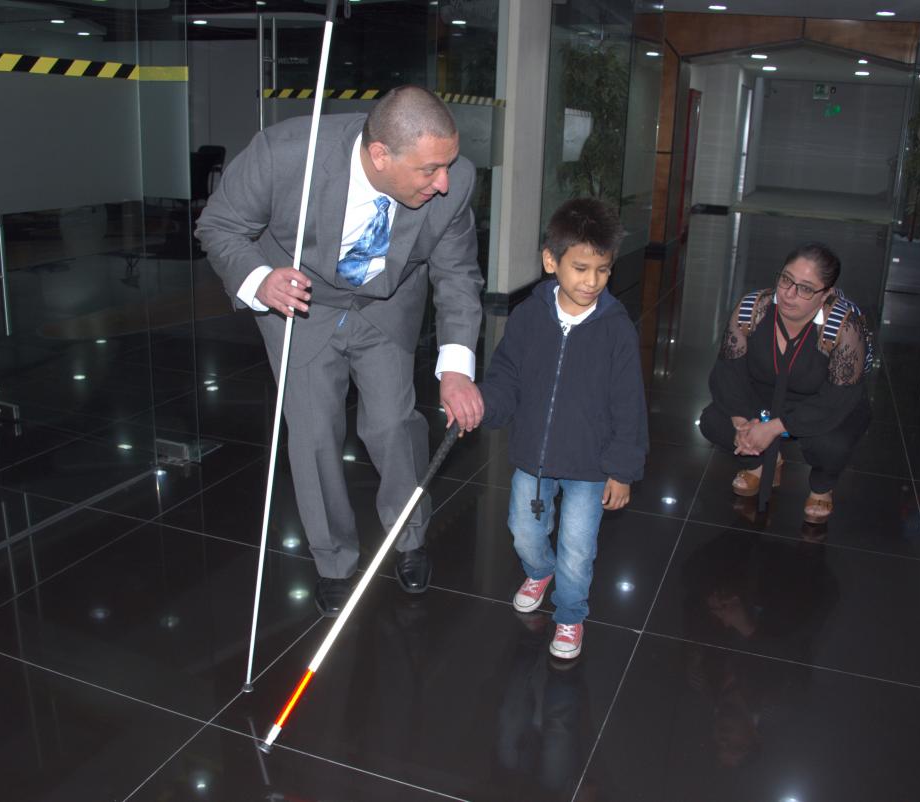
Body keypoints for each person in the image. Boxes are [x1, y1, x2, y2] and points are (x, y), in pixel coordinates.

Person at [195, 86, 484, 617]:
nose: (443, 181)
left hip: (387, 305)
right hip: (299, 306)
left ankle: (409, 533)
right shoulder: (285, 155)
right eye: (428, 170)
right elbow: (219, 226)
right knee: (311, 436)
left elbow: (457, 275)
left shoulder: (454, 182)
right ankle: (333, 561)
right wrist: (259, 280)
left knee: (394, 426)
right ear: (381, 155)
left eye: (447, 164)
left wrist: (457, 367)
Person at [479, 198, 648, 660]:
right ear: (550, 261)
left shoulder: (616, 330)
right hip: (533, 455)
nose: (591, 282)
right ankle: (539, 569)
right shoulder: (528, 317)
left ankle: (570, 616)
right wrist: (484, 405)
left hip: (591, 467)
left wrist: (622, 469)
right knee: (523, 531)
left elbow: (629, 404)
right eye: (580, 268)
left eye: (603, 270)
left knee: (578, 549)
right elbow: (506, 376)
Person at [698, 242, 873, 524]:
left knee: (830, 444)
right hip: (763, 400)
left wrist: (775, 428)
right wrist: (743, 423)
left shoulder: (843, 327)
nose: (789, 294)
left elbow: (836, 399)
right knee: (713, 421)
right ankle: (761, 462)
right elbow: (728, 371)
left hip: (822, 405)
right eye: (786, 280)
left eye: (805, 288)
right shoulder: (753, 308)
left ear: (825, 293)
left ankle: (822, 487)